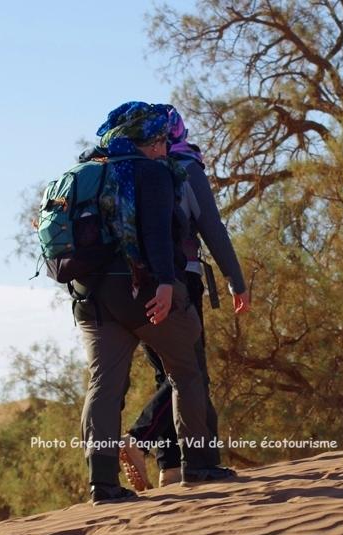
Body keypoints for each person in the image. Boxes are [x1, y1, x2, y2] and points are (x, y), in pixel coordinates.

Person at [73, 101, 235, 504]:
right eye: (160, 139)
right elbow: (158, 233)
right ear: (145, 140)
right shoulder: (153, 172)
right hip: (142, 291)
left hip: (89, 298)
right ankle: (198, 464)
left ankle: (103, 485)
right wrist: (165, 283)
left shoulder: (84, 172)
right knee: (186, 370)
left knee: (104, 385)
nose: (165, 146)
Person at [119, 105, 251, 490]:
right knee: (189, 375)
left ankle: (170, 468)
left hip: (133, 286)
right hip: (180, 282)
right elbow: (212, 227)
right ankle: (144, 440)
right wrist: (236, 280)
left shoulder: (132, 170)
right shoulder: (184, 167)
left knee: (168, 373)